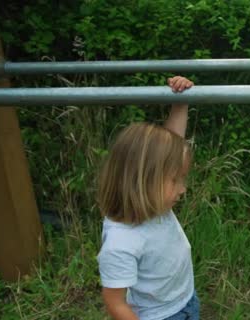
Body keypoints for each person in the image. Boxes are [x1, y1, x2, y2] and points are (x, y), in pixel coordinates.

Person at [96, 76, 199, 320]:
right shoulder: (121, 243)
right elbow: (115, 304)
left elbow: (172, 144)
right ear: (145, 181)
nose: (182, 189)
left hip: (186, 299)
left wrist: (181, 103)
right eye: (176, 180)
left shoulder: (156, 204)